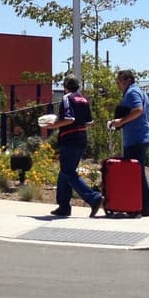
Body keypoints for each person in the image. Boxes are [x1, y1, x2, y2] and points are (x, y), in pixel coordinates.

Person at [41, 75, 103, 217]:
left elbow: (69, 119)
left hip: (70, 139)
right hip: (81, 138)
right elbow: (90, 123)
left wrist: (53, 125)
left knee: (68, 172)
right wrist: (78, 126)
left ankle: (93, 198)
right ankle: (64, 206)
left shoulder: (67, 98)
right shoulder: (84, 100)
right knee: (64, 172)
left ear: (65, 86)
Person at [109, 69, 149, 217]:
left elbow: (138, 110)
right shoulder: (142, 93)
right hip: (142, 137)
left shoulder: (132, 93)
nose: (118, 84)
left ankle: (140, 207)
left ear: (128, 80)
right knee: (138, 172)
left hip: (135, 139)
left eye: (119, 81)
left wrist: (120, 121)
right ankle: (143, 207)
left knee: (135, 174)